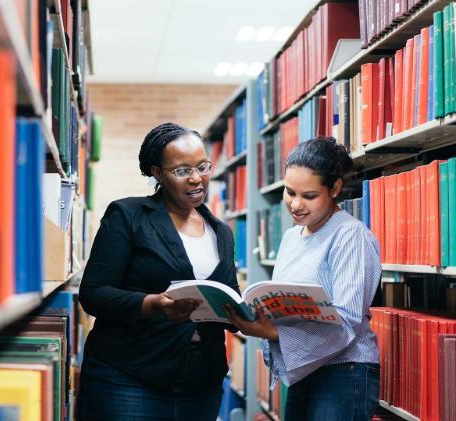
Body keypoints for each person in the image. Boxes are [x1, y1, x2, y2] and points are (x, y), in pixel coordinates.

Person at [77, 122, 239, 420]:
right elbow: (94, 293)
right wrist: (153, 305)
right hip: (129, 378)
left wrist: (247, 314)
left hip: (201, 382)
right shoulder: (128, 216)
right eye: (182, 171)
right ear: (157, 173)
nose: (196, 179)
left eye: (202, 166)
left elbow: (227, 296)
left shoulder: (221, 231)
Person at [225, 137, 381, 421]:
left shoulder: (350, 236)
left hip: (343, 374)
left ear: (334, 189)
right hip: (304, 370)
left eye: (309, 196)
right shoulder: (290, 237)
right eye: (289, 192)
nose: (295, 204)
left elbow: (346, 322)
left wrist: (270, 332)